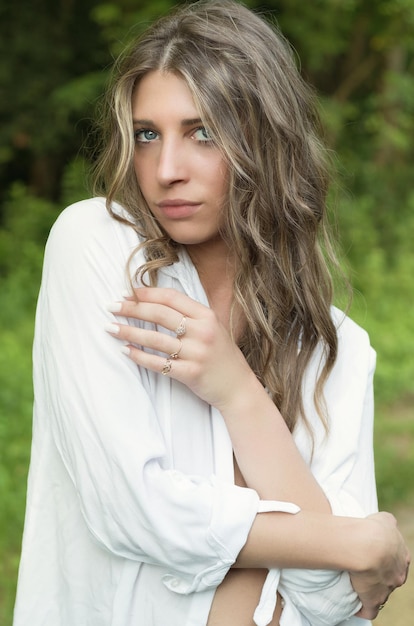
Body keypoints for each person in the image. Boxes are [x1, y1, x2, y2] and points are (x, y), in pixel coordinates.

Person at [13, 1, 409, 625]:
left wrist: (239, 394)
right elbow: (133, 512)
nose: (166, 170)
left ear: (267, 141)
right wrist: (357, 539)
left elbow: (339, 599)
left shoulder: (339, 346)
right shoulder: (98, 251)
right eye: (148, 134)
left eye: (203, 132)